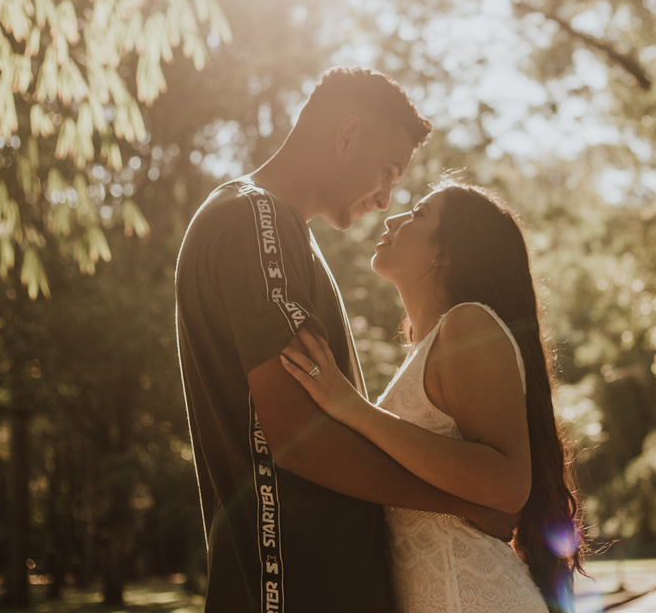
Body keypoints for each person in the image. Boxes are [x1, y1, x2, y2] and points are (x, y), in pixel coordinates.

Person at [175, 67, 515, 613]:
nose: (385, 199)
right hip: (287, 590)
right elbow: (298, 437)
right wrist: (460, 502)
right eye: (386, 171)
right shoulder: (253, 220)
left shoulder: (287, 235)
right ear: (346, 134)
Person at [282, 179, 584, 613]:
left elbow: (508, 484)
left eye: (419, 214)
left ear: (447, 252)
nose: (394, 218)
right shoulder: (426, 349)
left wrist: (354, 410)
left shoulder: (468, 325)